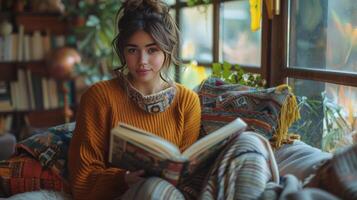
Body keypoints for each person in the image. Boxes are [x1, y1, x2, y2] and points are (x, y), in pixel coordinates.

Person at [67, 0, 201, 199]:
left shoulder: (187, 101)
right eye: (132, 50)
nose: (142, 61)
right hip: (120, 195)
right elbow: (82, 181)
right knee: (150, 190)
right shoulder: (99, 97)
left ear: (167, 49)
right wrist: (123, 179)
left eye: (152, 50)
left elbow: (187, 178)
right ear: (123, 51)